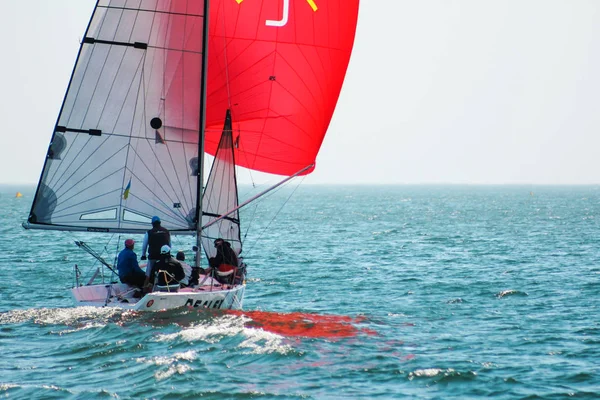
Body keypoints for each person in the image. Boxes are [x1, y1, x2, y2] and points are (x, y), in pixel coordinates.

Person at [141, 216, 171, 286]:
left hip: (153, 256)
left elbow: (144, 245)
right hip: (164, 257)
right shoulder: (167, 231)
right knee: (165, 272)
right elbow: (170, 245)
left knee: (148, 273)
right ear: (160, 223)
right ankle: (165, 287)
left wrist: (143, 255)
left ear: (152, 224)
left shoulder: (149, 232)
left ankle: (145, 288)